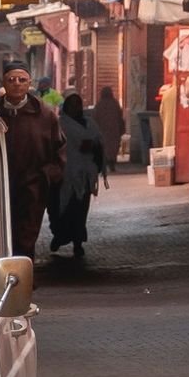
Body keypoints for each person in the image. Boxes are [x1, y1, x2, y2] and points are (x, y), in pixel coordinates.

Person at [0, 63, 66, 260]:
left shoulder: (44, 115)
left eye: (22, 80)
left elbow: (60, 150)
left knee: (26, 237)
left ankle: (22, 281)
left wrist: (47, 177)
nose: (17, 84)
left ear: (29, 84)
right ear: (3, 83)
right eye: (11, 80)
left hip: (31, 187)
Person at [49, 93, 106, 258]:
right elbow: (53, 145)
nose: (74, 108)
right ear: (66, 107)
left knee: (79, 211)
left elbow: (98, 144)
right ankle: (59, 236)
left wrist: (92, 149)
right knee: (59, 208)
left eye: (77, 104)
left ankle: (78, 242)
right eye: (71, 104)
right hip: (63, 176)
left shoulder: (89, 124)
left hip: (83, 176)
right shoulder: (60, 125)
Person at [90, 86, 126, 172]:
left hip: (102, 130)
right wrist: (122, 129)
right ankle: (112, 163)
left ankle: (105, 162)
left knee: (104, 146)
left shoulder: (99, 104)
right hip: (114, 130)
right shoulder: (115, 103)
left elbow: (95, 118)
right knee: (113, 147)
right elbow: (120, 117)